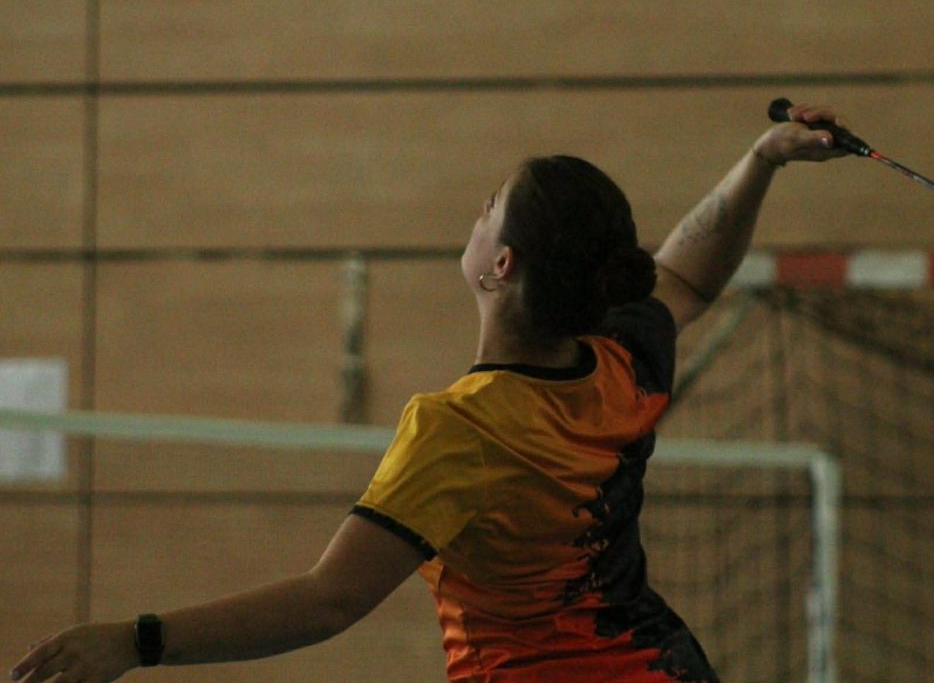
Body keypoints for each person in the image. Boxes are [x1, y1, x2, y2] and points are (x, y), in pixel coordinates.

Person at [10, 101, 847, 683]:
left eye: (492, 207)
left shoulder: (462, 431)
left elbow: (330, 599)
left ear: (501, 265)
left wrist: (136, 641)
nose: (478, 210)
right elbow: (688, 280)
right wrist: (762, 160)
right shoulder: (619, 361)